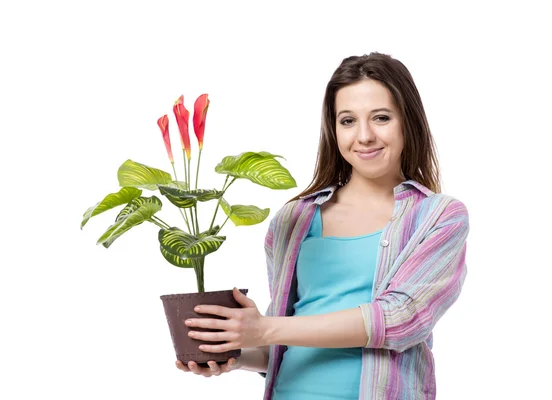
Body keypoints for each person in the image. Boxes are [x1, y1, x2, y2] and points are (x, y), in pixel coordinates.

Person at [175, 52, 470, 400]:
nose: (364, 136)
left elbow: (401, 319)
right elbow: (284, 346)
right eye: (347, 120)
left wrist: (264, 328)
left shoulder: (438, 217)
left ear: (408, 122)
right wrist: (234, 353)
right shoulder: (294, 219)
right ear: (332, 129)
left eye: (381, 117)